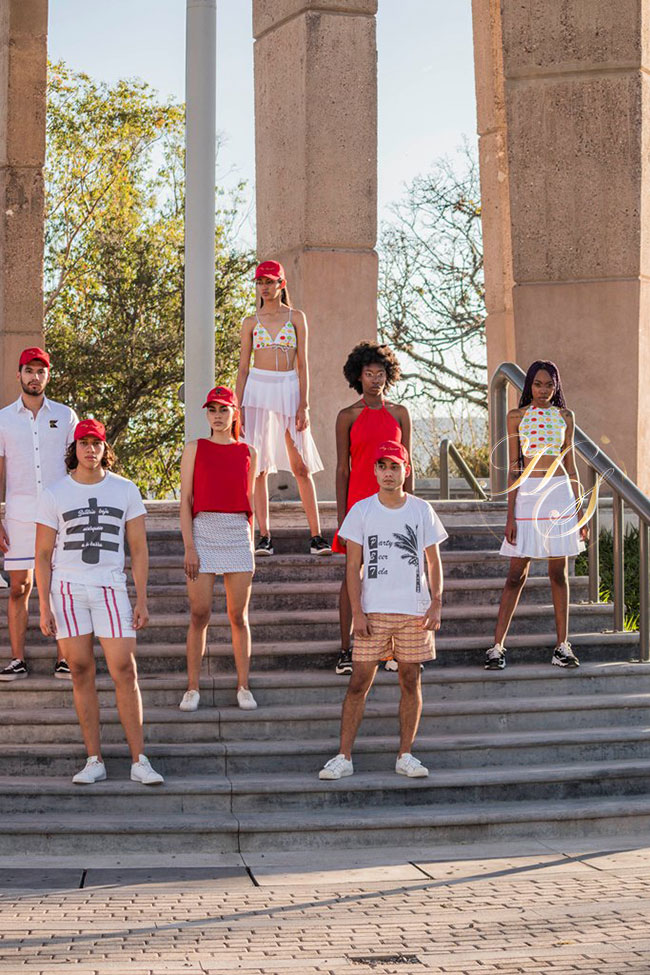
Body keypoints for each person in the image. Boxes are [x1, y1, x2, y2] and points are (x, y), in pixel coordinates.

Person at [34, 419, 164, 785]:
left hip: (110, 587)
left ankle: (139, 760)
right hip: (67, 590)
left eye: (96, 443)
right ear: (74, 448)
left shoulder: (124, 489)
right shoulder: (55, 493)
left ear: (105, 448)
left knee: (124, 669)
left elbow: (138, 548)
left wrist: (142, 597)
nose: (90, 449)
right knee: (79, 670)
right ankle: (94, 760)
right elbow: (42, 554)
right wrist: (43, 605)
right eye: (84, 443)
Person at [319, 441, 447, 780]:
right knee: (359, 682)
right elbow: (352, 567)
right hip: (373, 611)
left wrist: (436, 602)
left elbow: (433, 561)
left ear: (406, 470)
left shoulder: (422, 510)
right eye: (382, 466)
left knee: (410, 680)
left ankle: (406, 755)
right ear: (375, 471)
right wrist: (357, 612)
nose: (388, 473)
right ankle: (344, 756)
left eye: (395, 466)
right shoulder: (361, 510)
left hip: (414, 612)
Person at [484, 360, 589, 671]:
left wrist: (580, 507)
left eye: (549, 385)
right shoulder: (516, 416)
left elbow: (570, 465)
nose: (543, 390)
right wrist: (510, 516)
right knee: (516, 574)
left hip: (559, 495)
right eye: (538, 384)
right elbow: (514, 466)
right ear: (529, 385)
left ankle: (562, 646)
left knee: (559, 573)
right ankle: (496, 647)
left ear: (556, 387)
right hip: (528, 496)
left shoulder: (565, 417)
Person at [235, 260, 331, 557]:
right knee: (259, 467)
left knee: (300, 464)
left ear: (281, 284)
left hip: (288, 388)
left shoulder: (296, 317)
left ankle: (316, 536)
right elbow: (243, 368)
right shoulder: (250, 322)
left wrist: (304, 404)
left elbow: (302, 364)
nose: (264, 287)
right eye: (260, 282)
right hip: (257, 389)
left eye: (269, 281)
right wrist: (238, 407)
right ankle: (264, 536)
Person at [333, 342, 412, 676]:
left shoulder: (400, 413)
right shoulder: (347, 416)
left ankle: (391, 651)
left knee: (393, 575)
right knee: (353, 575)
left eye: (381, 373)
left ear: (388, 376)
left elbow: (407, 465)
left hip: (394, 505)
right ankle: (346, 649)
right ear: (358, 376)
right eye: (369, 373)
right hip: (359, 506)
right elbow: (343, 469)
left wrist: (412, 511)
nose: (375, 379)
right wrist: (342, 519)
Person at [0, 347, 78, 681]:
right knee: (19, 587)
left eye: (41, 371)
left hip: (59, 516)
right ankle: (17, 660)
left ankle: (64, 658)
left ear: (48, 375)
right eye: (29, 371)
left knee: (60, 584)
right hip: (18, 515)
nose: (35, 377)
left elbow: (78, 465)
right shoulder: (3, 419)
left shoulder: (66, 415)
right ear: (19, 374)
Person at [179, 386, 258, 712]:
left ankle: (243, 686)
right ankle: (192, 688)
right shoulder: (194, 448)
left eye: (224, 409)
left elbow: (250, 500)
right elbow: (185, 500)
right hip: (203, 531)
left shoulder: (249, 452)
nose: (217, 415)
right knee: (200, 614)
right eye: (212, 409)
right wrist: (189, 546)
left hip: (237, 532)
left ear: (234, 412)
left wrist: (251, 542)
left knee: (238, 616)